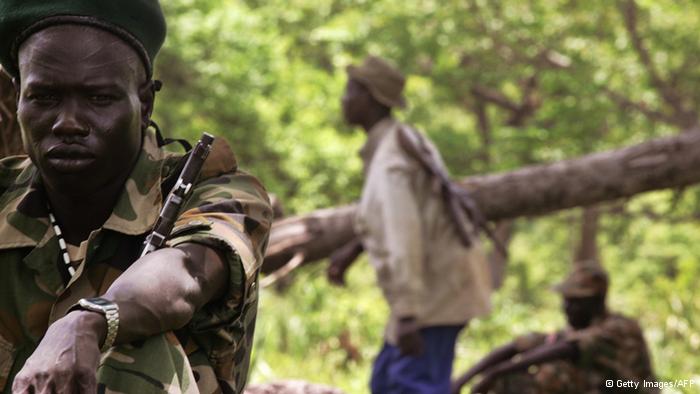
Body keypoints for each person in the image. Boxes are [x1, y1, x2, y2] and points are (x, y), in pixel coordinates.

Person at [0, 1, 272, 393]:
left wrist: (92, 322)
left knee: (135, 348)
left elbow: (186, 274)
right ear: (17, 97)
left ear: (144, 103)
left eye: (98, 99)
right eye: (45, 97)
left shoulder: (219, 191)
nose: (68, 122)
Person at [332, 55, 492, 393]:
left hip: (433, 292)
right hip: (434, 285)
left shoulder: (391, 162)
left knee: (411, 384)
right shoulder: (402, 139)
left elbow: (404, 237)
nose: (343, 100)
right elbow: (404, 215)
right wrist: (353, 250)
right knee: (386, 381)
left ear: (371, 97)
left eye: (350, 91)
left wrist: (407, 314)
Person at [452, 262, 658, 394]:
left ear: (596, 301)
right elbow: (517, 346)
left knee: (555, 373)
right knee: (515, 376)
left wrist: (497, 372)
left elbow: (568, 349)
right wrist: (465, 378)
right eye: (565, 301)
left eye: (575, 302)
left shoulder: (619, 328)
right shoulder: (574, 330)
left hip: (634, 389)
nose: (567, 308)